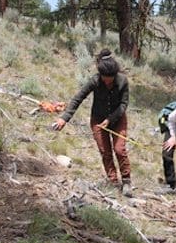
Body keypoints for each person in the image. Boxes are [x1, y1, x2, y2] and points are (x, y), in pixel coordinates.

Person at [52, 49, 133, 197]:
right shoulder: (95, 81)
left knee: (119, 149)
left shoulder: (123, 81)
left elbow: (123, 105)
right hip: (97, 120)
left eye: (111, 78)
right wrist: (64, 118)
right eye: (105, 78)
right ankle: (113, 181)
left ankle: (127, 181)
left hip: (117, 119)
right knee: (105, 151)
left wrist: (110, 120)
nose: (107, 81)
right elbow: (78, 98)